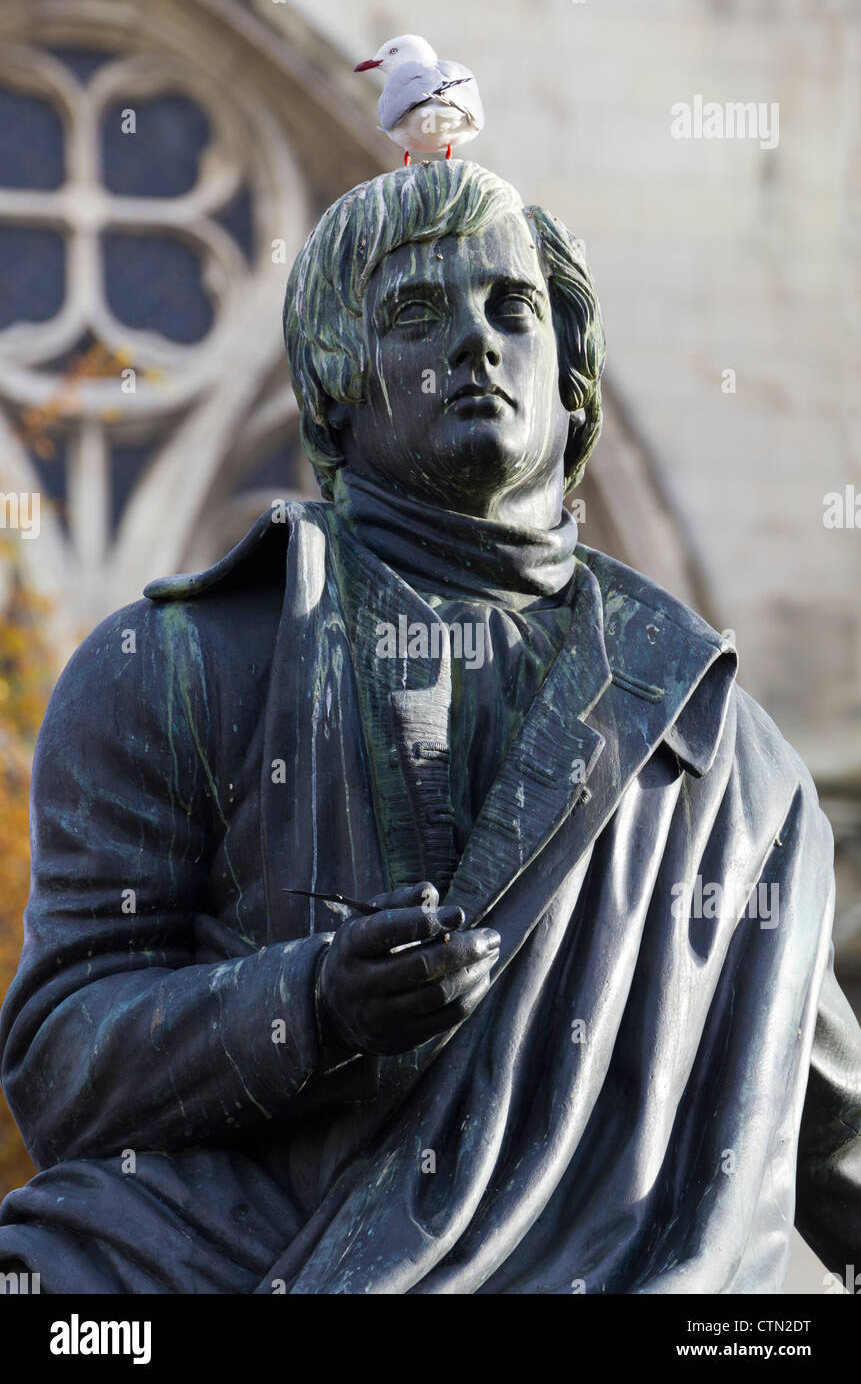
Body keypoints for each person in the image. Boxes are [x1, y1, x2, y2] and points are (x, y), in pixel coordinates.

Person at [0, 160, 857, 1293]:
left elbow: (826, 1119)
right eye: (416, 313)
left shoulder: (730, 759)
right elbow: (63, 1061)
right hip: (237, 1262)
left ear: (575, 379)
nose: (477, 342)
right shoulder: (165, 667)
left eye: (514, 309)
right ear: (333, 383)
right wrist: (310, 1005)